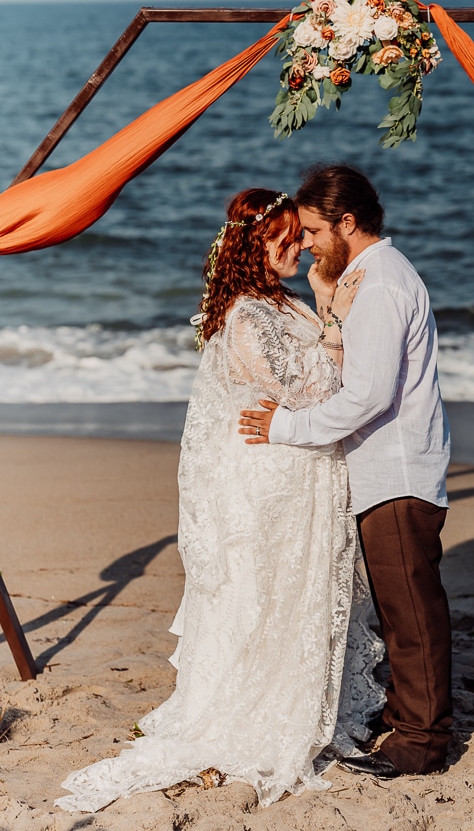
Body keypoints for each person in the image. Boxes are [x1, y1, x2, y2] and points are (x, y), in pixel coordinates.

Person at [55, 188, 384, 814]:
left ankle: (301, 696)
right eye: (282, 237)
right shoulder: (246, 316)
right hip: (269, 482)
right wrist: (336, 316)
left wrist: (321, 310)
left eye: (298, 235)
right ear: (252, 244)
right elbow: (315, 389)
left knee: (296, 595)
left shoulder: (279, 302)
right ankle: (258, 713)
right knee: (264, 597)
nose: (296, 246)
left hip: (296, 470)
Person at [240, 165, 453, 778]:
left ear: (347, 223)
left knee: (411, 612)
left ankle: (422, 742)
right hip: (387, 468)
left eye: (311, 230)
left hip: (398, 469)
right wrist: (328, 303)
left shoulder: (382, 282)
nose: (304, 242)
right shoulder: (364, 276)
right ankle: (409, 713)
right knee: (399, 608)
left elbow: (367, 396)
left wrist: (285, 427)